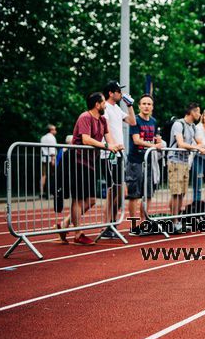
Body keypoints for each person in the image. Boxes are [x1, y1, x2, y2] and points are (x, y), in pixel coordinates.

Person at [58, 92, 123, 245]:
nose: (105, 105)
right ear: (97, 104)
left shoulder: (102, 120)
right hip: (77, 161)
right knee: (78, 198)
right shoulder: (85, 117)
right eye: (103, 103)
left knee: (92, 200)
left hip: (90, 163)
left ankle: (64, 224)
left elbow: (109, 138)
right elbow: (86, 140)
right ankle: (78, 233)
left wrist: (115, 146)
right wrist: (108, 146)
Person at [100, 80, 136, 239]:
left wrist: (130, 105)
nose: (121, 94)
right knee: (111, 191)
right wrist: (112, 145)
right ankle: (107, 225)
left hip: (118, 153)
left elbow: (133, 122)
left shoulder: (116, 108)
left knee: (118, 190)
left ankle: (113, 223)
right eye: (119, 92)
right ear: (111, 93)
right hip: (109, 154)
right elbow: (105, 128)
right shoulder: (105, 107)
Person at [168, 102, 205, 232]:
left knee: (182, 193)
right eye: (198, 112)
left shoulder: (193, 127)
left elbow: (200, 141)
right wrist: (197, 147)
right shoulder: (179, 124)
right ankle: (174, 221)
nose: (200, 115)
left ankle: (176, 219)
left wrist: (203, 143)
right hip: (175, 160)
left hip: (185, 162)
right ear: (192, 112)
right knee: (176, 192)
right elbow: (180, 143)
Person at [126, 95, 162, 235]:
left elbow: (156, 139)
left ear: (152, 107)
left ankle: (144, 222)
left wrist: (158, 142)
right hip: (136, 161)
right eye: (144, 103)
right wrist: (153, 145)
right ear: (139, 106)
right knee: (134, 195)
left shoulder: (153, 121)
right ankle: (134, 225)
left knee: (148, 193)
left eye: (149, 104)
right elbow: (136, 140)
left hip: (149, 161)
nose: (146, 106)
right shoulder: (135, 120)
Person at [40, 124, 57, 198]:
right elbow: (52, 149)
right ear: (51, 130)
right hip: (50, 159)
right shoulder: (52, 138)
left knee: (43, 175)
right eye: (54, 129)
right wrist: (53, 159)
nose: (55, 131)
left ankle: (41, 192)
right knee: (52, 175)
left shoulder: (43, 137)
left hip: (43, 158)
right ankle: (50, 192)